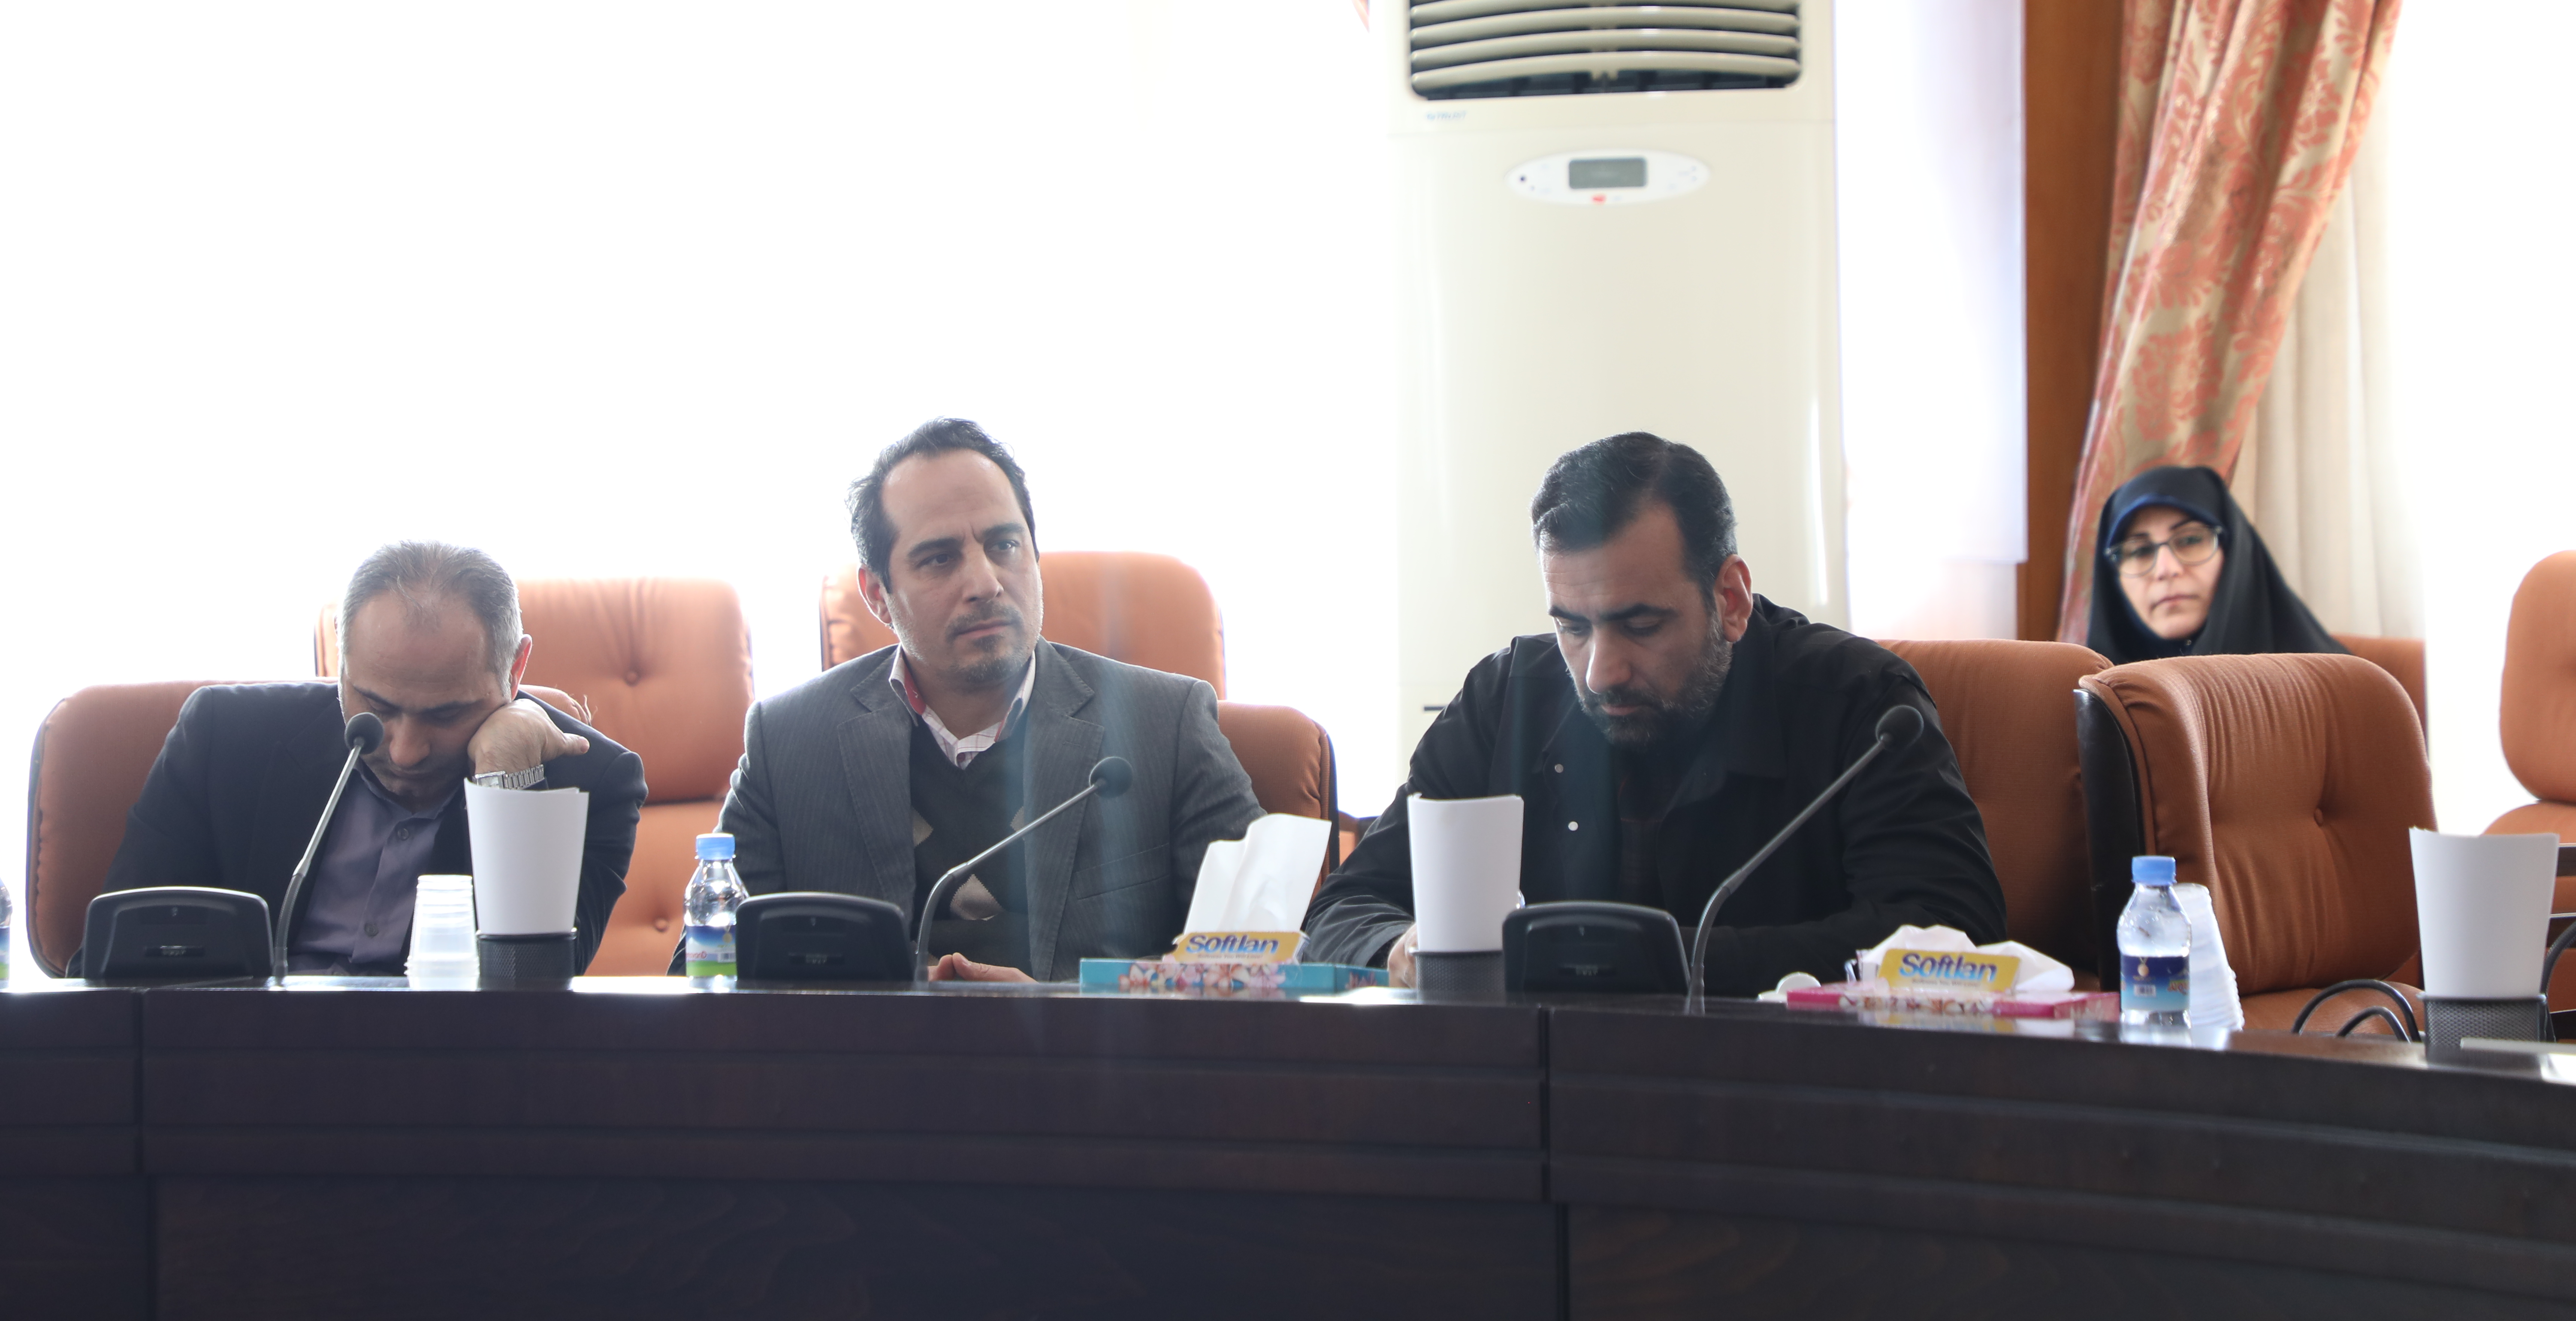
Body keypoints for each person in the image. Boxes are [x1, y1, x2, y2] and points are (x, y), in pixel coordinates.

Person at [1304, 432, 2005, 995]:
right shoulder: (1505, 698)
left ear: (1731, 600)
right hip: (1531, 1091)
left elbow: (1952, 929)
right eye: (1573, 626)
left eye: (1640, 625)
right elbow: (1344, 909)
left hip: (1784, 1094)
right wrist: (1400, 949)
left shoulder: (1859, 703)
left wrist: (1661, 964)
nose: (1600, 671)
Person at [718, 417, 1263, 982]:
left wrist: (1060, 1007)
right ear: (878, 594)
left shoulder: (1165, 727)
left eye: (1004, 545)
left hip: (1091, 1044)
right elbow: (704, 970)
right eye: (939, 558)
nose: (985, 583)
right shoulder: (789, 745)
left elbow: (1269, 955)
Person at [99, 542, 646, 973]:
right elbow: (111, 964)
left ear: (516, 668)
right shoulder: (224, 738)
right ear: (341, 651)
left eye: (447, 714)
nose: (406, 752)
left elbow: (533, 995)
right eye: (377, 707)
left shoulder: (593, 783)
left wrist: (508, 781)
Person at [2088, 464, 2343, 662]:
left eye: (2190, 540)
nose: (2166, 569)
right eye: (2140, 551)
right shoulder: (2090, 696)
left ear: (2235, 555)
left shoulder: (2330, 688)